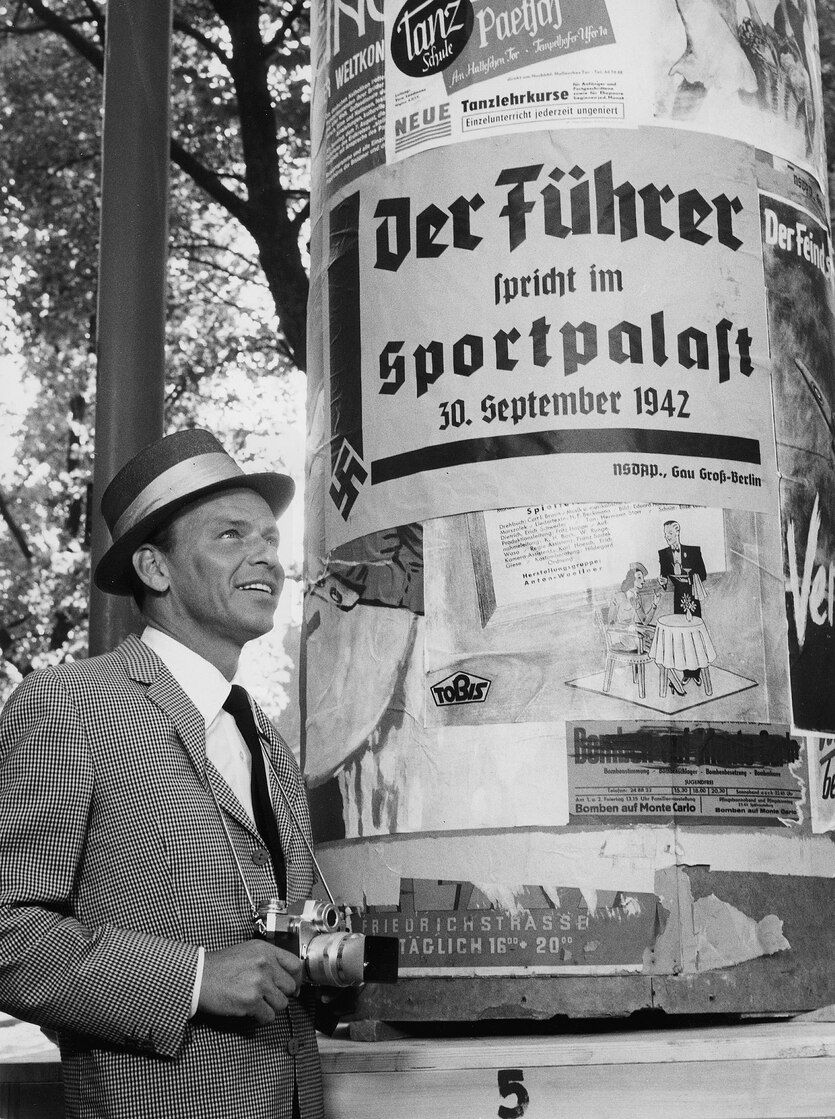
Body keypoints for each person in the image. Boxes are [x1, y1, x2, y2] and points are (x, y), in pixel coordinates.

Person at [0, 430, 325, 1119]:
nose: (266, 553)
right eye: (231, 535)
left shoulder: (267, 738)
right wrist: (196, 977)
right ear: (154, 567)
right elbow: (5, 929)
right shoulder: (69, 702)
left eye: (269, 536)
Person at [658, 519, 708, 684]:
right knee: (682, 637)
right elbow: (664, 576)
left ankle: (697, 673)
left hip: (693, 597)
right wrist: (663, 581)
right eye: (666, 535)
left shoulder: (693, 551)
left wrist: (691, 576)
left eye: (670, 534)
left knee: (695, 635)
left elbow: (703, 574)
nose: (668, 538)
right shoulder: (663, 553)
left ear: (678, 531)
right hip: (679, 599)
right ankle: (687, 673)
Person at [607, 562, 660, 653]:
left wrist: (654, 604)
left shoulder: (636, 598)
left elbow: (645, 621)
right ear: (631, 579)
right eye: (639, 577)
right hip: (620, 636)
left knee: (656, 644)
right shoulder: (618, 597)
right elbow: (610, 623)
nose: (643, 581)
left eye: (643, 578)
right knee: (652, 648)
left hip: (633, 635)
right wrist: (627, 629)